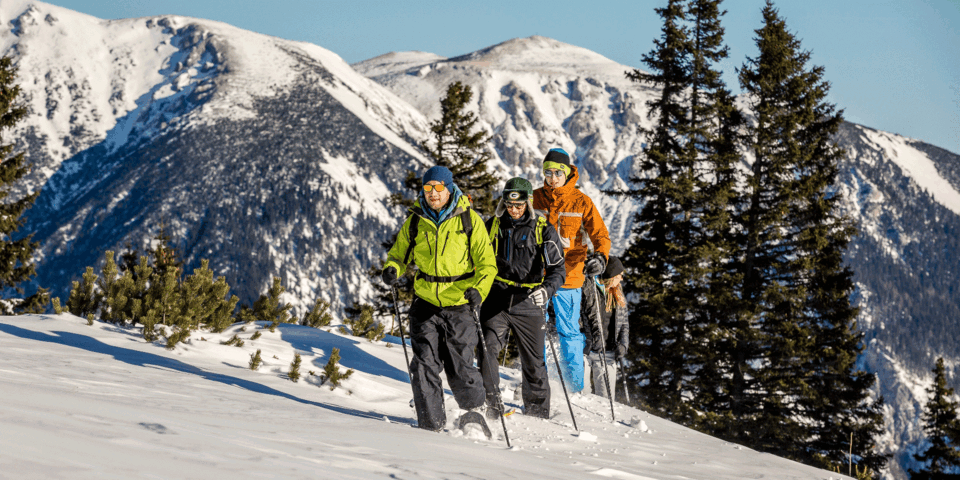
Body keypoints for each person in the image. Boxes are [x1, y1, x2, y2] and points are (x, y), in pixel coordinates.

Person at [381, 166, 497, 432]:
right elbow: (399, 255)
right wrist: (393, 269)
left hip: (460, 302)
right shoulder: (415, 220)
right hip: (425, 301)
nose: (433, 194)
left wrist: (478, 290)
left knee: (460, 366)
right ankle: (430, 426)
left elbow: (487, 264)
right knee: (423, 364)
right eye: (427, 188)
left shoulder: (469, 220)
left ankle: (474, 413)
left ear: (449, 188)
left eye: (438, 188)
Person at [478, 177, 566, 419]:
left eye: (518, 205)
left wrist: (547, 290)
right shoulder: (493, 226)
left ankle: (538, 412)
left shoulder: (543, 228)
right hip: (496, 298)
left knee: (533, 361)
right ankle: (491, 403)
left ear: (528, 202)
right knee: (487, 349)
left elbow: (559, 269)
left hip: (529, 300)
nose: (513, 210)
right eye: (509, 205)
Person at [532, 148, 611, 393]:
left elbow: (600, 234)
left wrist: (601, 257)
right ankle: (537, 382)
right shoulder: (533, 198)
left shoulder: (581, 200)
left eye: (558, 172)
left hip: (569, 274)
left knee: (568, 331)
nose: (552, 177)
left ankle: (575, 387)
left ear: (567, 173)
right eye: (548, 172)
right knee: (536, 328)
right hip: (538, 275)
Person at [581, 256, 629, 398]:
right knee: (580, 396)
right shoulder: (590, 291)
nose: (621, 279)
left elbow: (624, 324)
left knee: (606, 399)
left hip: (607, 353)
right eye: (619, 275)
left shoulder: (618, 295)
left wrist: (623, 345)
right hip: (586, 351)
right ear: (611, 275)